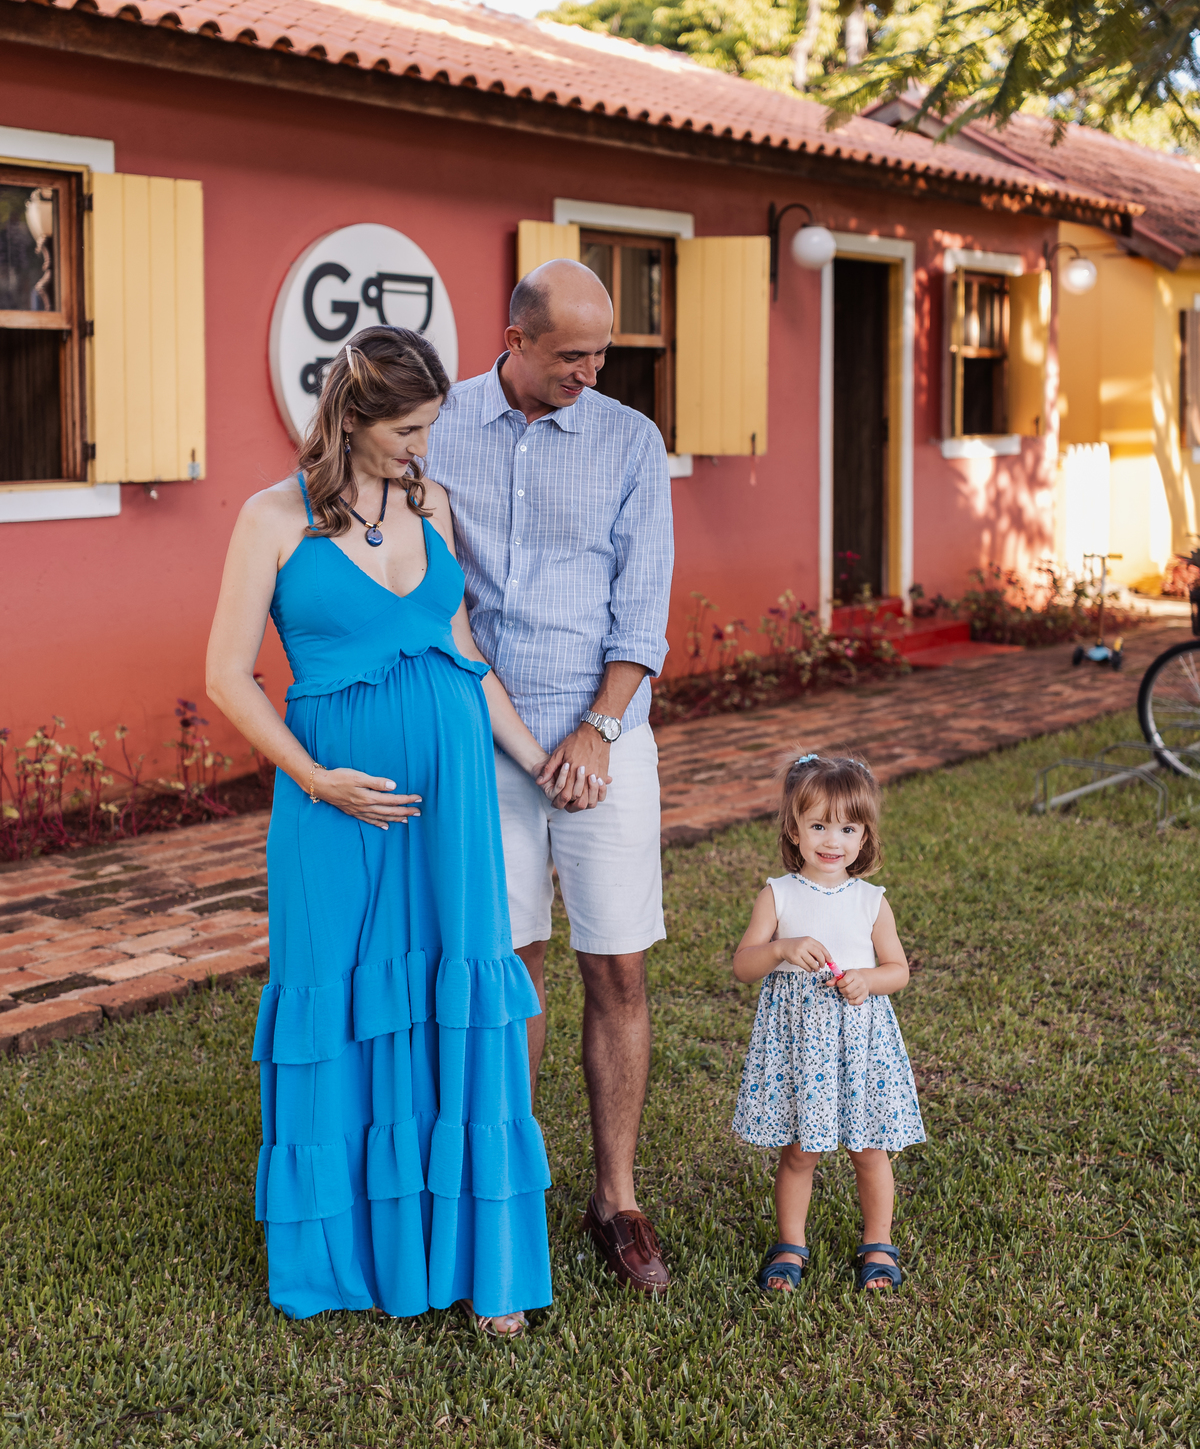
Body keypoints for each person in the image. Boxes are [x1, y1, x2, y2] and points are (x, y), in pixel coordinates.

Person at [206, 325, 554, 1336]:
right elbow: (227, 675)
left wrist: (533, 758)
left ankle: (480, 1263)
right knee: (339, 997)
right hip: (333, 805)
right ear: (351, 420)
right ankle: (341, 1259)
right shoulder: (271, 519)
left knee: (461, 990)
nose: (423, 449)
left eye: (431, 428)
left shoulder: (429, 503)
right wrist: (317, 780)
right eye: (407, 430)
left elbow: (459, 646)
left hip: (451, 802)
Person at [424, 258, 674, 1294]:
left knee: (615, 966)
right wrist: (526, 740)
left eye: (603, 352)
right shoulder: (438, 429)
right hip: (485, 741)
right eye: (573, 354)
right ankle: (514, 1191)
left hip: (605, 740)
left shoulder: (628, 440)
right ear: (515, 338)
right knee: (511, 966)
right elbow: (438, 594)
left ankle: (614, 1198)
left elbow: (642, 606)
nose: (593, 370)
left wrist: (598, 730)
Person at [731, 751, 925, 1296]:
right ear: (794, 830)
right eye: (818, 825)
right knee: (802, 1150)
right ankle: (790, 1244)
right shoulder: (779, 894)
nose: (831, 839)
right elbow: (744, 964)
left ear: (864, 837)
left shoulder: (870, 902)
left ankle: (878, 1242)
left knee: (869, 1149)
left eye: (847, 827)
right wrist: (780, 948)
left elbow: (899, 970)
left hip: (858, 1040)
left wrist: (867, 978)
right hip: (801, 1044)